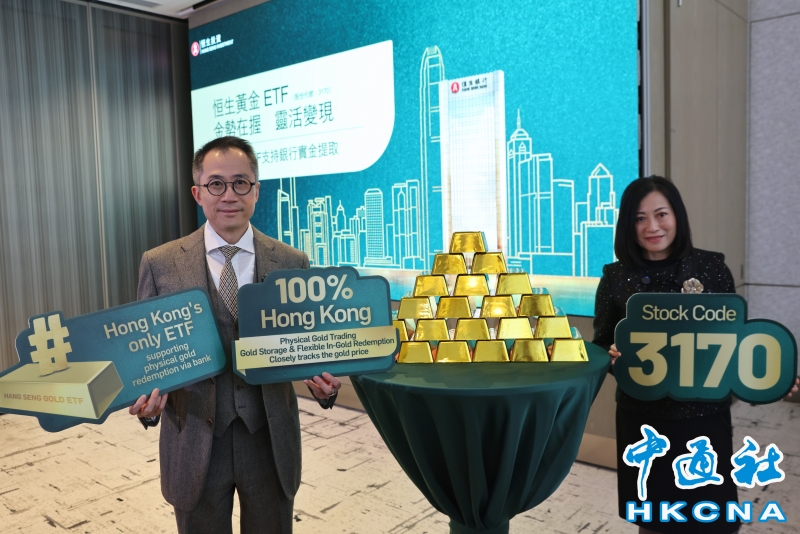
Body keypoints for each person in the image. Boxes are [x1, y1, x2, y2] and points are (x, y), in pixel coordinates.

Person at [127, 136, 341, 534]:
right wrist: (148, 406)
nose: (229, 195)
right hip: (193, 441)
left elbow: (309, 350)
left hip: (269, 440)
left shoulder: (292, 262)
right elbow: (147, 360)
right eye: (216, 184)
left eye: (241, 183)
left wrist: (323, 387)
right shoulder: (159, 264)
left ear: (256, 191)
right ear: (197, 193)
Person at [593, 176, 797, 534]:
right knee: (653, 519)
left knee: (712, 517)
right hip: (644, 419)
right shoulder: (615, 276)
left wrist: (772, 378)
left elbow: (734, 342)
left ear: (677, 215)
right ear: (627, 224)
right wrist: (610, 357)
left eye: (661, 214)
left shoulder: (711, 268)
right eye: (639, 218)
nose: (652, 227)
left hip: (703, 417)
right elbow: (602, 343)